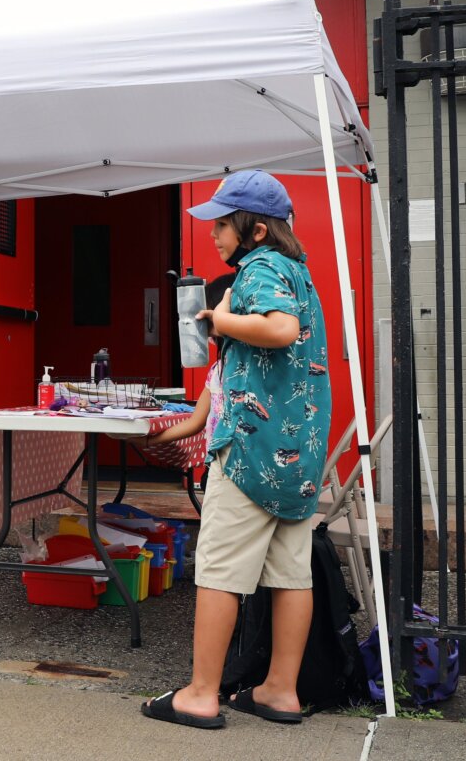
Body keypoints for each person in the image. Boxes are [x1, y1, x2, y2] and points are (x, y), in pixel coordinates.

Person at [141, 170, 330, 732]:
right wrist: (181, 429)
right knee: (292, 575)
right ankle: (280, 691)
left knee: (220, 571)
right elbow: (245, 366)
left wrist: (221, 318)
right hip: (300, 453)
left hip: (251, 453)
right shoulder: (299, 272)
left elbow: (278, 330)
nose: (213, 234)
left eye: (223, 223)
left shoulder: (260, 269)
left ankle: (201, 694)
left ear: (255, 229)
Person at [135, 273, 237, 479]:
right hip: (217, 466)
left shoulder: (250, 368)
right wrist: (148, 441)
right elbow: (195, 422)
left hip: (240, 467)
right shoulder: (217, 371)